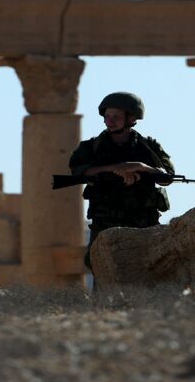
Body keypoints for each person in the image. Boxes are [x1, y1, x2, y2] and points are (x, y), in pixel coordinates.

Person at [68, 92, 175, 273]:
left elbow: (168, 176)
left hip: (142, 221)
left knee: (149, 268)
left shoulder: (148, 147)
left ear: (131, 118)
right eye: (107, 117)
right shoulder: (91, 147)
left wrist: (140, 167)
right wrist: (115, 168)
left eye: (116, 117)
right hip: (105, 221)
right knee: (100, 265)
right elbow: (79, 171)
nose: (109, 121)